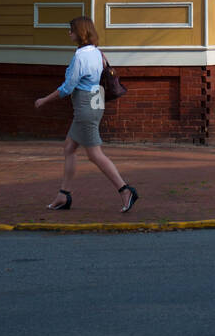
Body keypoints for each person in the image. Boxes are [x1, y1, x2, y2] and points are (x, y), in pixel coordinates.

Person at [35, 16, 138, 213]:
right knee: (69, 148)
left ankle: (125, 190)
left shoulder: (80, 57)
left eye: (71, 30)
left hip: (85, 107)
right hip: (96, 102)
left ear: (80, 33)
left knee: (94, 154)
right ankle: (63, 196)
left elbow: (67, 88)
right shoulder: (97, 52)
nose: (69, 33)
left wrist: (44, 100)